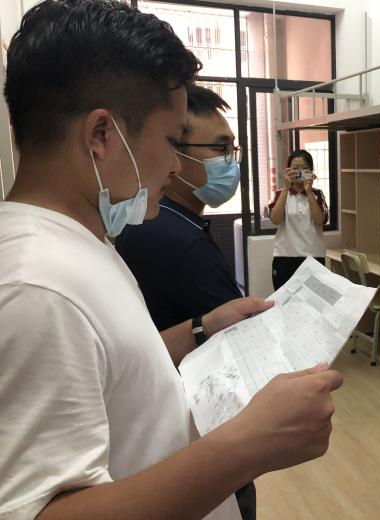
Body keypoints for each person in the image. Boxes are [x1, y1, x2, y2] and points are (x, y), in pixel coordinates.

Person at [0, 2, 341, 519]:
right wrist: (249, 444)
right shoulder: (36, 288)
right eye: (170, 139)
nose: (175, 164)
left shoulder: (83, 242)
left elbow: (111, 373)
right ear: (101, 135)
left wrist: (200, 330)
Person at [116, 84, 256, 519]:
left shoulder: (154, 223)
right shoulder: (180, 241)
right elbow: (241, 349)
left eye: (233, 148)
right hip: (195, 433)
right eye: (219, 148)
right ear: (176, 154)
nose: (231, 161)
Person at [269, 149, 328, 290]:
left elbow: (319, 221)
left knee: (314, 299)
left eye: (304, 168)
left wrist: (309, 191)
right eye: (295, 168)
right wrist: (286, 187)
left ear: (311, 171)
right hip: (285, 256)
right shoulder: (280, 194)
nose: (299, 172)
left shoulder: (317, 194)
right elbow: (276, 220)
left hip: (313, 256)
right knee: (284, 299)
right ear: (288, 170)